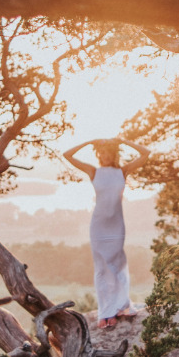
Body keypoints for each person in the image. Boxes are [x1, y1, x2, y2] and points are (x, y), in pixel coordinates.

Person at [63, 137, 149, 328]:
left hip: (117, 225)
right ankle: (105, 312)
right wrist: (89, 142)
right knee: (102, 269)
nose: (104, 155)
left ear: (114, 154)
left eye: (108, 152)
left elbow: (145, 154)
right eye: (101, 152)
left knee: (117, 266)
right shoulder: (93, 171)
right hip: (99, 226)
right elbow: (67, 155)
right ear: (97, 154)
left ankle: (119, 308)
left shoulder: (122, 171)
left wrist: (124, 141)